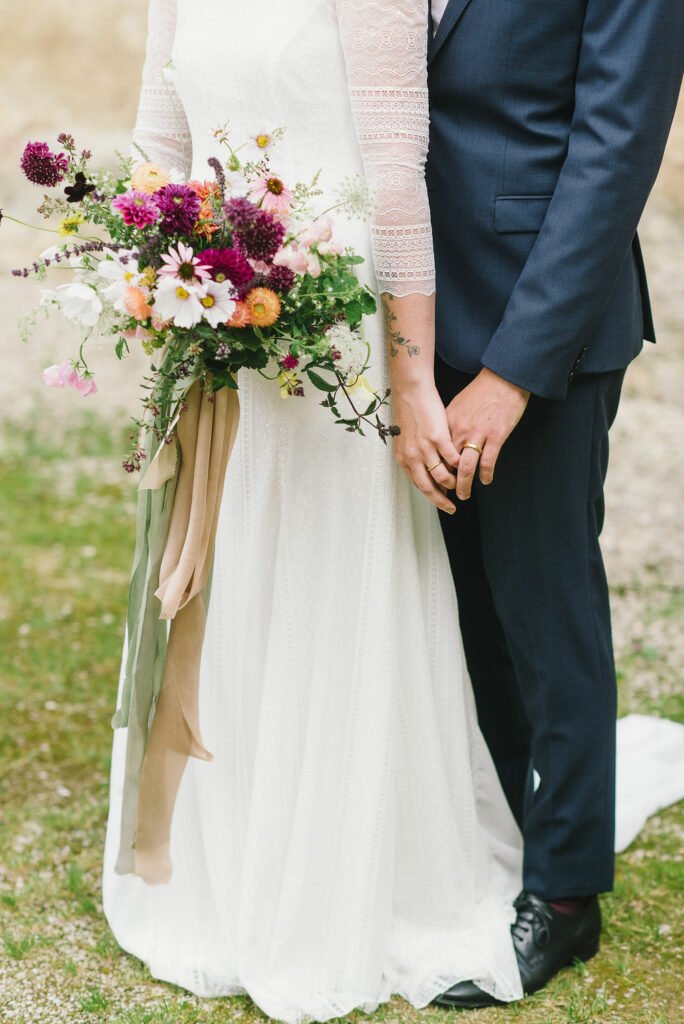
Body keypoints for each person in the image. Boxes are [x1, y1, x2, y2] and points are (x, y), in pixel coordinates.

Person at [103, 2, 527, 1020]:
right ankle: (222, 869)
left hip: (334, 332)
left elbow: (395, 179)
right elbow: (159, 144)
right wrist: (151, 273)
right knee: (233, 574)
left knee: (329, 589)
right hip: (221, 328)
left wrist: (413, 378)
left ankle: (349, 879)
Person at [426, 0, 683, 1009]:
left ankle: (566, 893)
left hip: (542, 324)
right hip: (412, 310)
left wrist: (514, 371)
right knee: (462, 609)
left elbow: (616, 151)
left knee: (543, 609)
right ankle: (502, 832)